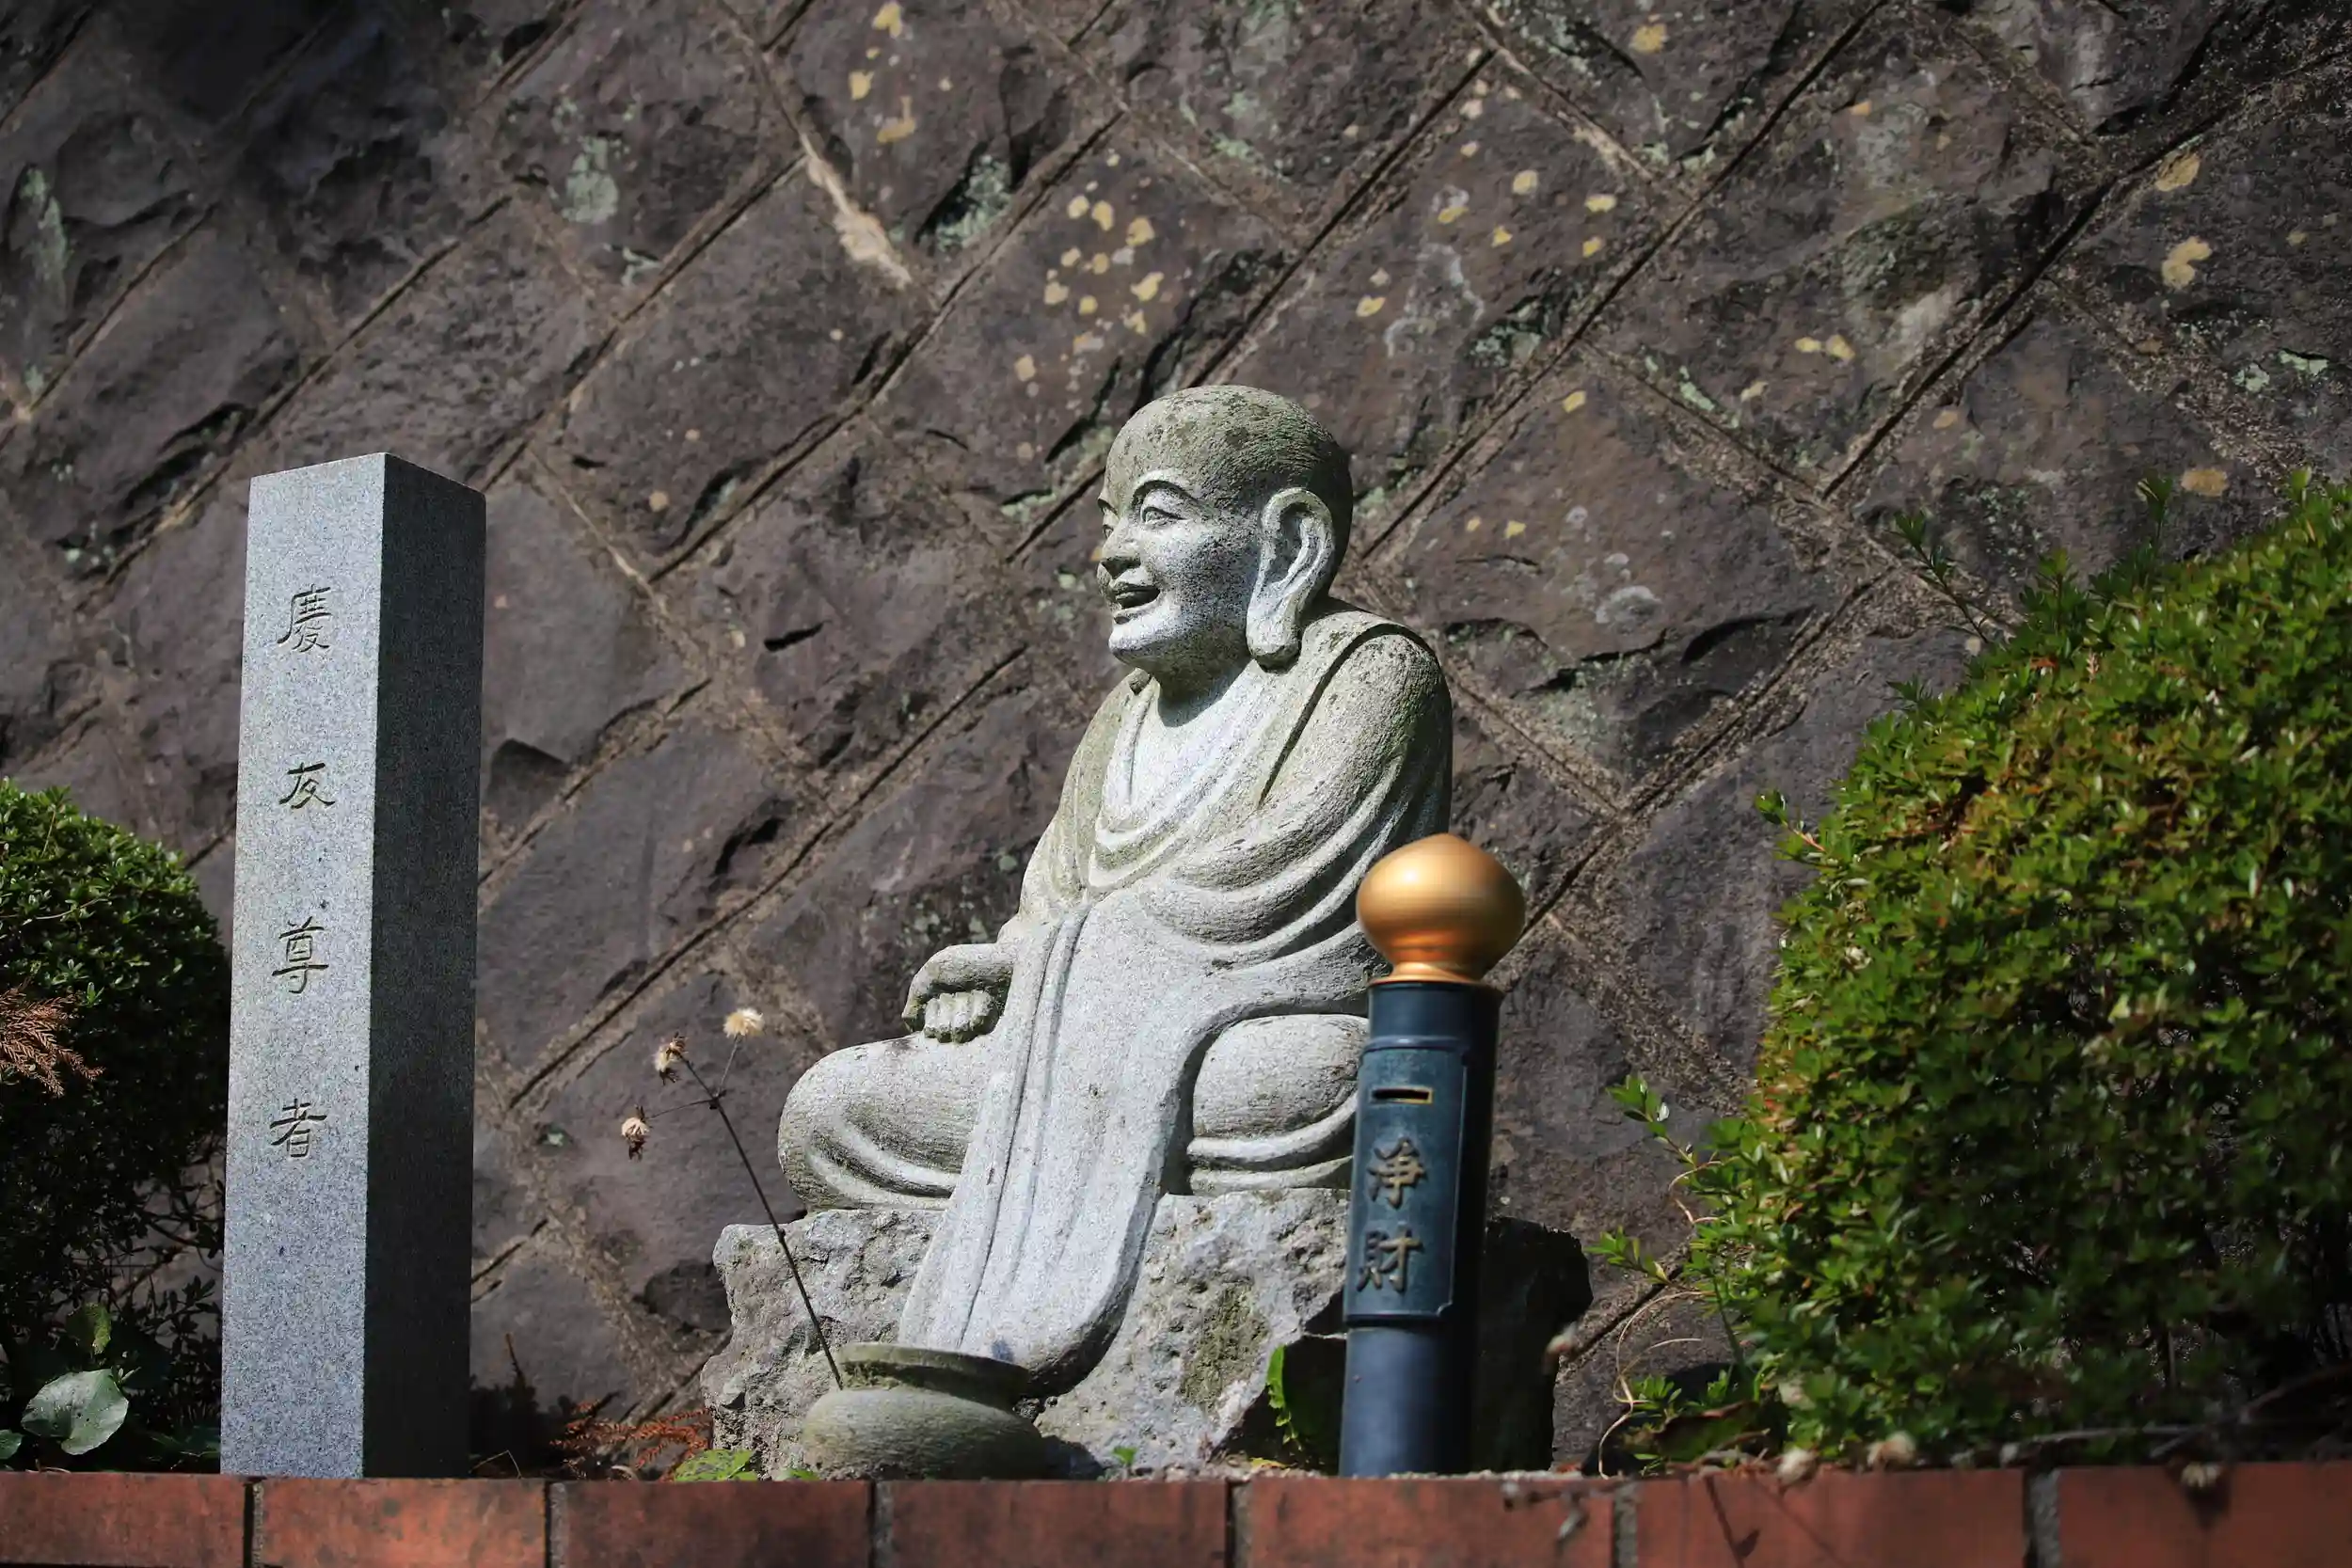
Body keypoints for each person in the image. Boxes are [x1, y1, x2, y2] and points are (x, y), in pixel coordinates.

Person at [777, 385, 1451, 1392]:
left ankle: (1040, 1241)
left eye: (1157, 514)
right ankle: (1077, 1179)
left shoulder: (1367, 674)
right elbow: (1056, 896)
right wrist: (1003, 968)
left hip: (1235, 1043)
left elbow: (1289, 887)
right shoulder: (1123, 718)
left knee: (1337, 1081)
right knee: (831, 1111)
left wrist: (1055, 963)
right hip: (1072, 1052)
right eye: (1109, 520)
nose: (1112, 553)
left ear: (1288, 545)